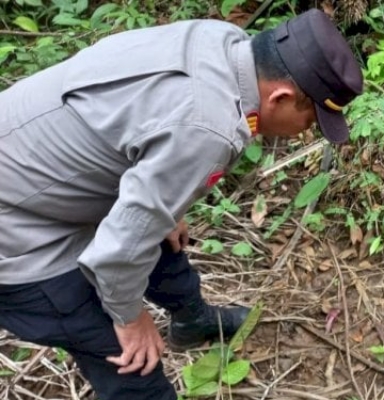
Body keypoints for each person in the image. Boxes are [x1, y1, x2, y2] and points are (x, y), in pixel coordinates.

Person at [0, 9, 363, 400]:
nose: (304, 133)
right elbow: (117, 253)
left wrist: (170, 201)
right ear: (282, 96)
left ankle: (191, 320)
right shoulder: (206, 127)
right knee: (130, 361)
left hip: (39, 172)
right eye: (310, 121)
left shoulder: (224, 43)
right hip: (18, 233)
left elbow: (152, 125)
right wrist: (130, 318)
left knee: (161, 231)